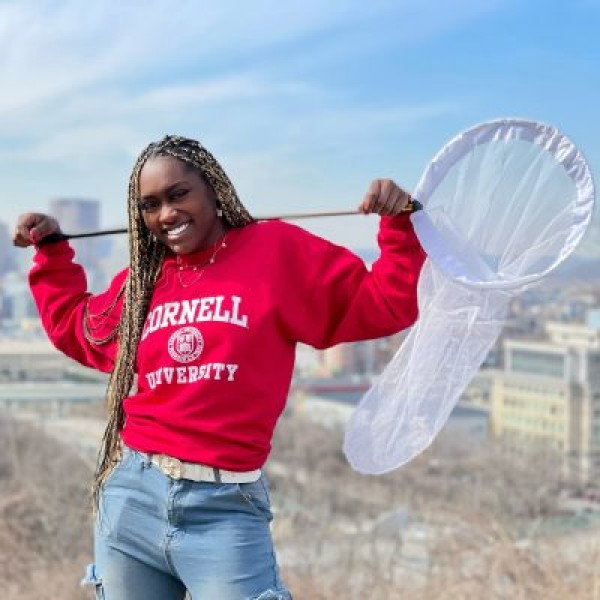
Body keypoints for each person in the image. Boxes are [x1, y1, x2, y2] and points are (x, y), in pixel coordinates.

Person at [13, 135, 426, 600]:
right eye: (150, 205)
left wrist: (398, 225)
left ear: (212, 188)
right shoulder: (144, 281)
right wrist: (52, 254)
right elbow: (78, 329)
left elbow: (384, 303)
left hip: (224, 511)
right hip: (132, 497)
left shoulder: (274, 252)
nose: (166, 214)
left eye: (178, 194)